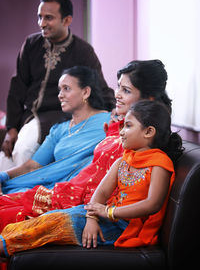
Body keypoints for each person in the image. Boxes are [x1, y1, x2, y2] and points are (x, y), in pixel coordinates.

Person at [0, 59, 172, 231]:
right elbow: (34, 165)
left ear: (86, 92)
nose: (117, 94)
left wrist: (95, 214)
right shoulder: (112, 127)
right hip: (68, 192)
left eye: (125, 90)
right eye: (118, 87)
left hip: (78, 201)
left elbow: (139, 198)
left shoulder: (135, 139)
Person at [0, 100, 184, 257]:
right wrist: (92, 218)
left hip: (123, 226)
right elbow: (101, 192)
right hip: (103, 217)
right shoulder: (122, 160)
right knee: (47, 218)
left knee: (54, 224)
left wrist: (108, 213)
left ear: (148, 132)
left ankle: (4, 246)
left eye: (128, 125)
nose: (120, 131)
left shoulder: (160, 163)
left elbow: (153, 203)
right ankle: (4, 244)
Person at [0, 0, 115, 170]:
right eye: (40, 17)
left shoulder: (83, 51)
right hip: (30, 115)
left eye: (49, 18)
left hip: (61, 115)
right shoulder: (31, 44)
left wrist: (115, 111)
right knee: (7, 157)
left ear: (67, 20)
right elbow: (18, 86)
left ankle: (23, 196)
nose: (42, 23)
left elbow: (99, 87)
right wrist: (11, 128)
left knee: (23, 150)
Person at [0, 66, 111, 197]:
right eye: (60, 90)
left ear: (86, 92)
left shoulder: (109, 121)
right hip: (55, 190)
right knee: (12, 194)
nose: (60, 95)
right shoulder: (58, 130)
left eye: (66, 89)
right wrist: (3, 175)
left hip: (86, 192)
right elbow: (32, 166)